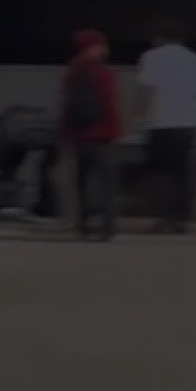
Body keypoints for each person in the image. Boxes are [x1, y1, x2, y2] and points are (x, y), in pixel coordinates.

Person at [135, 18, 196, 234]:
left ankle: (162, 218)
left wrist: (138, 118)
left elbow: (146, 91)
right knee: (183, 173)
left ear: (158, 37)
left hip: (159, 122)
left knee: (159, 171)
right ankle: (182, 219)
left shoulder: (151, 57)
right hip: (188, 123)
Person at [58, 28, 121, 242]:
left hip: (79, 136)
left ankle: (83, 225)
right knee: (107, 183)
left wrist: (65, 133)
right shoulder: (102, 72)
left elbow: (65, 105)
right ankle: (107, 227)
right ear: (94, 47)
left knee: (82, 182)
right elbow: (108, 103)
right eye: (102, 45)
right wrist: (115, 130)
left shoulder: (72, 71)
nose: (105, 49)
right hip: (102, 135)